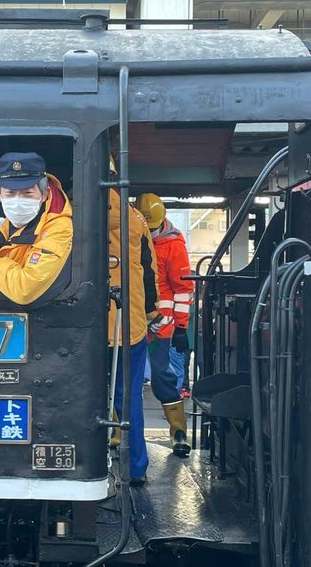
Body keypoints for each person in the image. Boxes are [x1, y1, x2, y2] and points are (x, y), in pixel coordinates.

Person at [0, 152, 72, 305]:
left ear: (44, 194)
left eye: (27, 193)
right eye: (10, 193)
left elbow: (25, 289)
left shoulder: (59, 226)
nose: (18, 201)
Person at [107, 187, 160, 486]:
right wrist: (150, 314)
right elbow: (149, 273)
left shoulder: (68, 213)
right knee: (129, 399)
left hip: (84, 324)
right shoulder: (136, 218)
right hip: (129, 324)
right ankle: (135, 468)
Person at [137, 193, 194, 458]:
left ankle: (178, 431)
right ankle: (116, 434)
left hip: (160, 327)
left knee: (162, 377)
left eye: (152, 228)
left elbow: (183, 289)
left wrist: (181, 327)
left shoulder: (173, 246)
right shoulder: (131, 237)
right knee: (124, 380)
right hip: (134, 322)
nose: (149, 233)